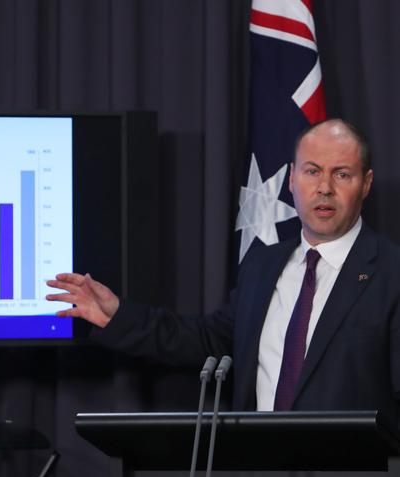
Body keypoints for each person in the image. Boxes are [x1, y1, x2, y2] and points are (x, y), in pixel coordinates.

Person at [46, 118, 400, 417]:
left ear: (365, 184)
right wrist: (117, 315)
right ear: (292, 179)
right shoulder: (264, 264)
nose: (324, 188)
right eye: (312, 172)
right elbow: (208, 341)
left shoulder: (390, 273)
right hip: (260, 472)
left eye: (341, 174)